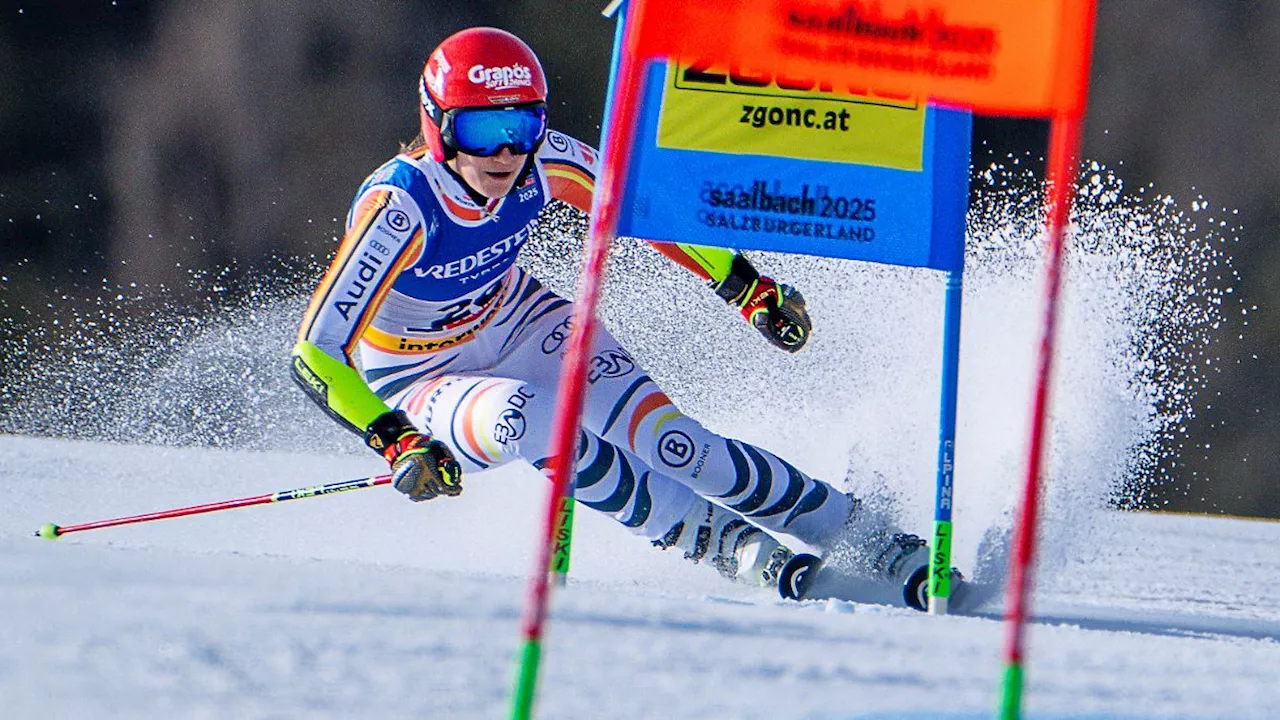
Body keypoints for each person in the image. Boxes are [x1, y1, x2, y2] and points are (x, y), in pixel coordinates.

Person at [291, 27, 931, 604]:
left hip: (521, 323)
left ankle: (865, 535)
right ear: (439, 128)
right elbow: (316, 351)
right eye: (482, 132)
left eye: (521, 127)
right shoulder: (400, 209)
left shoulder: (547, 162)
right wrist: (395, 439)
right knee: (525, 418)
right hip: (420, 377)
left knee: (681, 447)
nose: (506, 152)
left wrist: (746, 288)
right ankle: (714, 541)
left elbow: (641, 209)